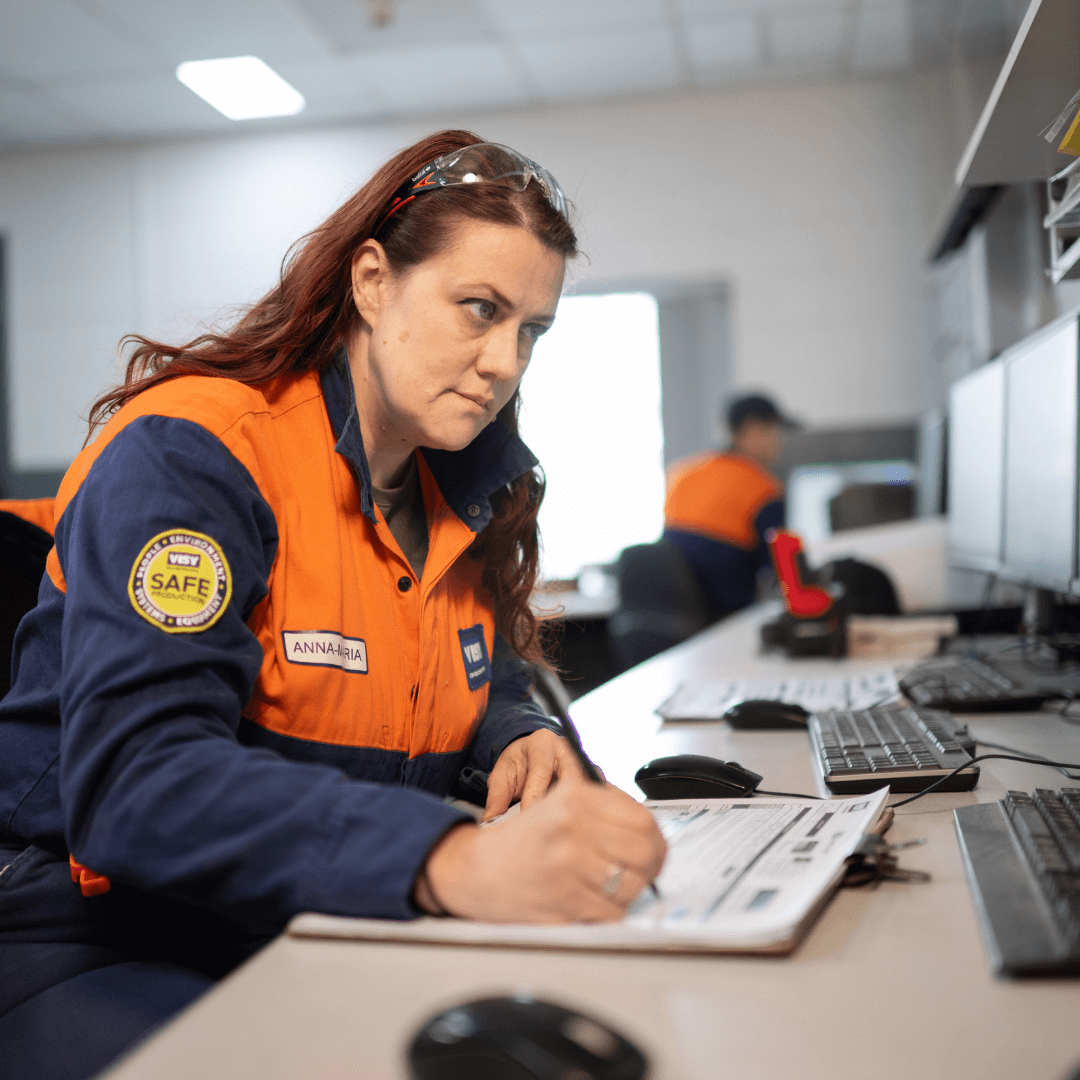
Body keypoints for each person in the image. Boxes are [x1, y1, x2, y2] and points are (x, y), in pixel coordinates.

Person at [0, 132, 666, 1079]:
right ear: (371, 281)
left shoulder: (458, 488)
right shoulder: (194, 457)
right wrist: (446, 857)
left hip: (307, 915)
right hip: (98, 935)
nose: (505, 361)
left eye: (530, 330)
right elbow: (137, 783)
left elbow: (461, 653)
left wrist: (513, 728)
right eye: (478, 310)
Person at [663, 393, 797, 620]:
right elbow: (780, 569)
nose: (780, 442)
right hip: (727, 616)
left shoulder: (682, 472)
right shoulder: (763, 487)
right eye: (775, 432)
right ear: (753, 431)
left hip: (674, 611)